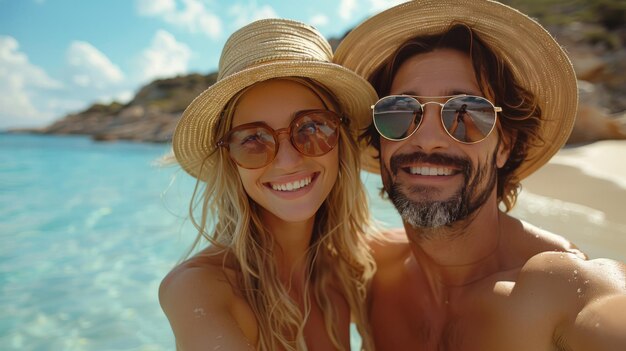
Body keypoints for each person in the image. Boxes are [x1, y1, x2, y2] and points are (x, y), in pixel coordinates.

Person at [334, 1, 626, 350]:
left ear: (505, 145)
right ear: (379, 141)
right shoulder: (367, 270)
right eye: (399, 112)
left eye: (466, 112)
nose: (426, 139)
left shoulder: (560, 289)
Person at [160, 19, 379, 351]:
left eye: (312, 128)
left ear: (342, 140)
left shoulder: (353, 269)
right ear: (229, 160)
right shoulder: (199, 288)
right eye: (253, 139)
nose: (288, 161)